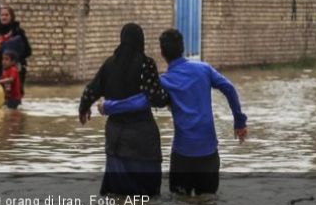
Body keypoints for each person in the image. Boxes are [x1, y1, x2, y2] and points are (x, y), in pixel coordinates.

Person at [101, 29, 248, 195]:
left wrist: (109, 106)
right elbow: (228, 88)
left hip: (182, 156)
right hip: (208, 154)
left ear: (162, 53)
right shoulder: (204, 70)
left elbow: (141, 101)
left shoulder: (165, 80)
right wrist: (239, 121)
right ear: (183, 48)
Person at [78, 23, 170, 196]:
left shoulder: (110, 64)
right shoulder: (146, 64)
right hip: (143, 138)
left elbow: (91, 90)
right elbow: (155, 98)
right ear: (141, 41)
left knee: (116, 195)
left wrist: (83, 109)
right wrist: (168, 98)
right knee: (146, 199)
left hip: (116, 138)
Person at [0, 6, 32, 94]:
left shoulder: (18, 32)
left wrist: (14, 60)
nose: (4, 17)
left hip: (16, 69)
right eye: (2, 15)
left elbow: (28, 51)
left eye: (6, 15)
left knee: (15, 94)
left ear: (11, 17)